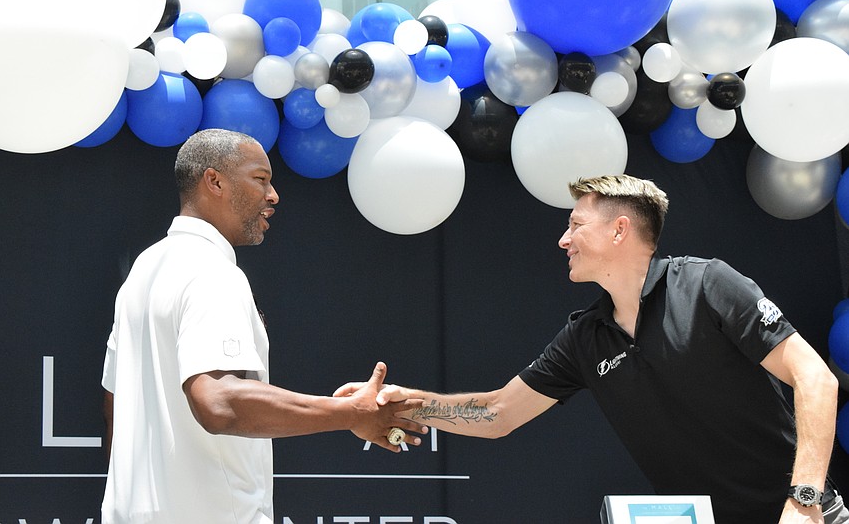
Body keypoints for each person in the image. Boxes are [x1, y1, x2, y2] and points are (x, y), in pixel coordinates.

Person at [336, 174, 847, 524]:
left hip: (802, 514)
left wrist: (802, 502)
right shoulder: (585, 336)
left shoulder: (710, 284)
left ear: (620, 229)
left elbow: (815, 378)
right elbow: (496, 414)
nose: (563, 240)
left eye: (576, 225)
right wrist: (405, 402)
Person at [100, 129, 426, 524]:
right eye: (260, 179)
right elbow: (218, 402)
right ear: (214, 181)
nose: (273, 196)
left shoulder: (143, 271)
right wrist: (350, 413)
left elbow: (115, 406)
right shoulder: (212, 272)